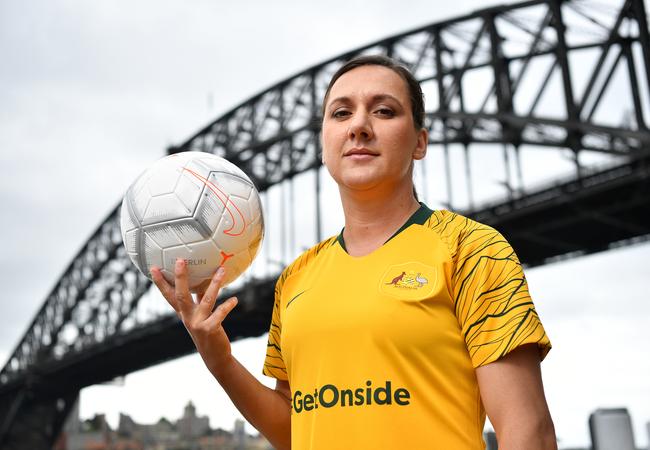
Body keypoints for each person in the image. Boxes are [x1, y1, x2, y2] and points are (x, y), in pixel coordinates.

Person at [151, 55, 557, 450]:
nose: (359, 126)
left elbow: (528, 433)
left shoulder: (472, 250)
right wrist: (219, 359)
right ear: (323, 143)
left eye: (383, 111)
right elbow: (295, 432)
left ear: (420, 142)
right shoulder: (296, 278)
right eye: (341, 113)